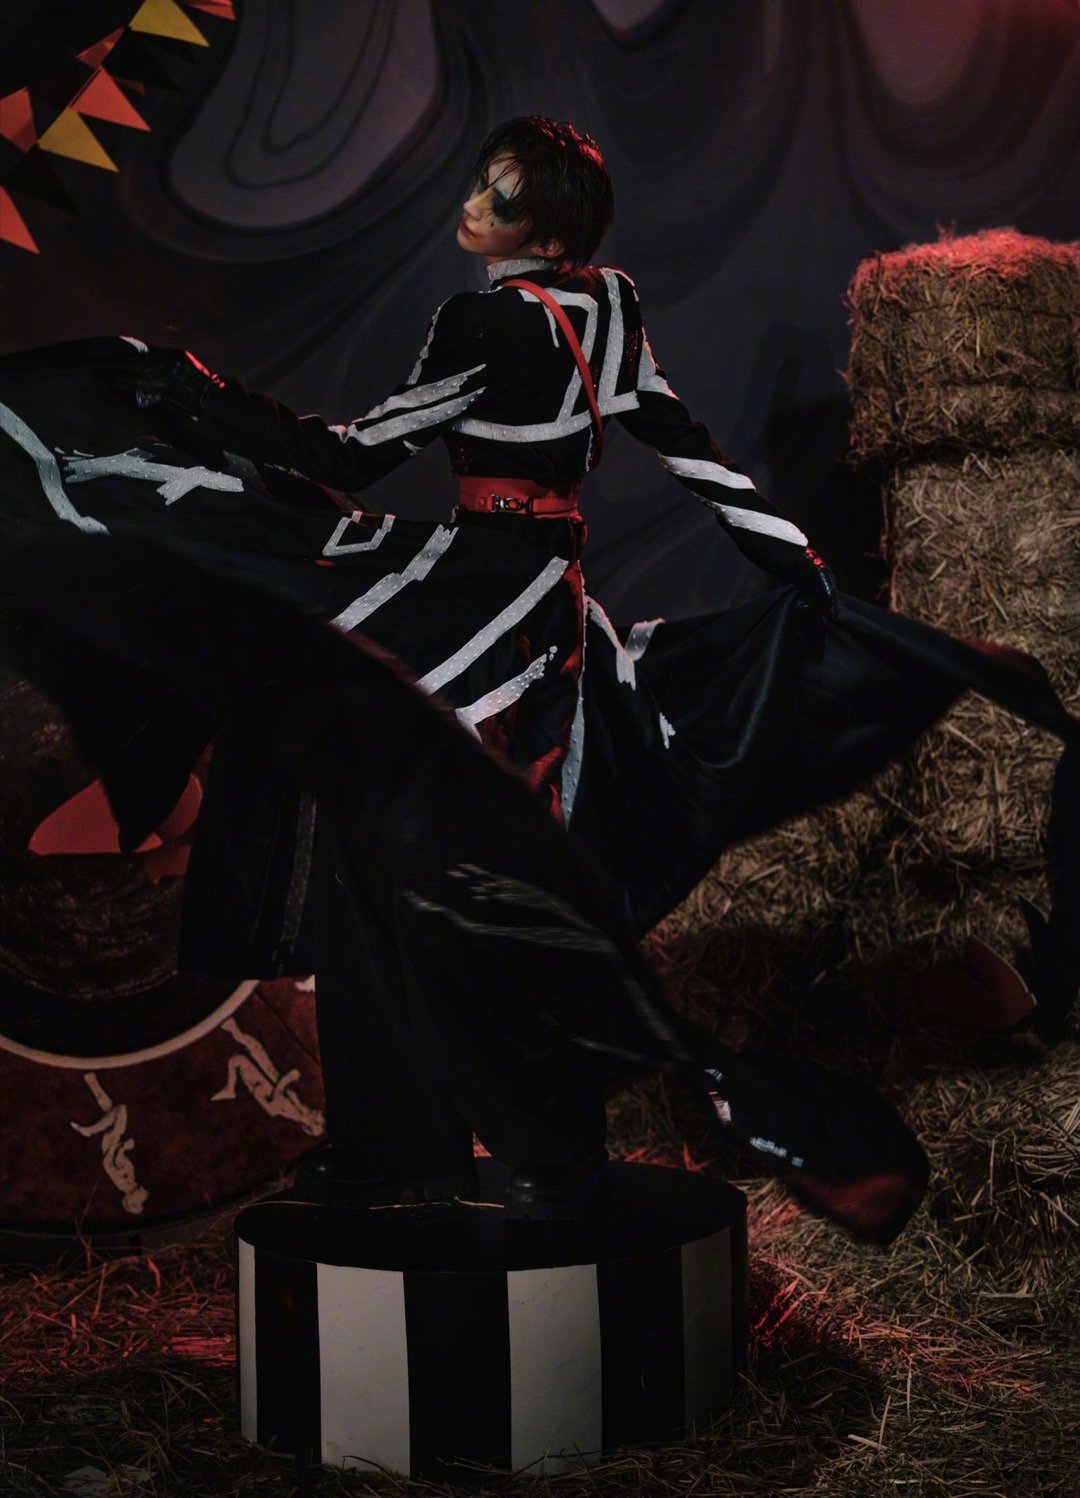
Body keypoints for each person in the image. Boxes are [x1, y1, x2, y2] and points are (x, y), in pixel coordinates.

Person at [108, 116, 853, 1222]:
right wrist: (801, 562)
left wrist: (191, 397)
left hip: (475, 605)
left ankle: (431, 1147)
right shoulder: (611, 311)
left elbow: (349, 455)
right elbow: (693, 449)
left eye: (498, 197)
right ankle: (497, 1147)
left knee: (404, 863)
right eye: (479, 184)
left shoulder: (484, 323)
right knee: (492, 867)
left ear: (544, 231)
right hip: (549, 605)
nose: (471, 206)